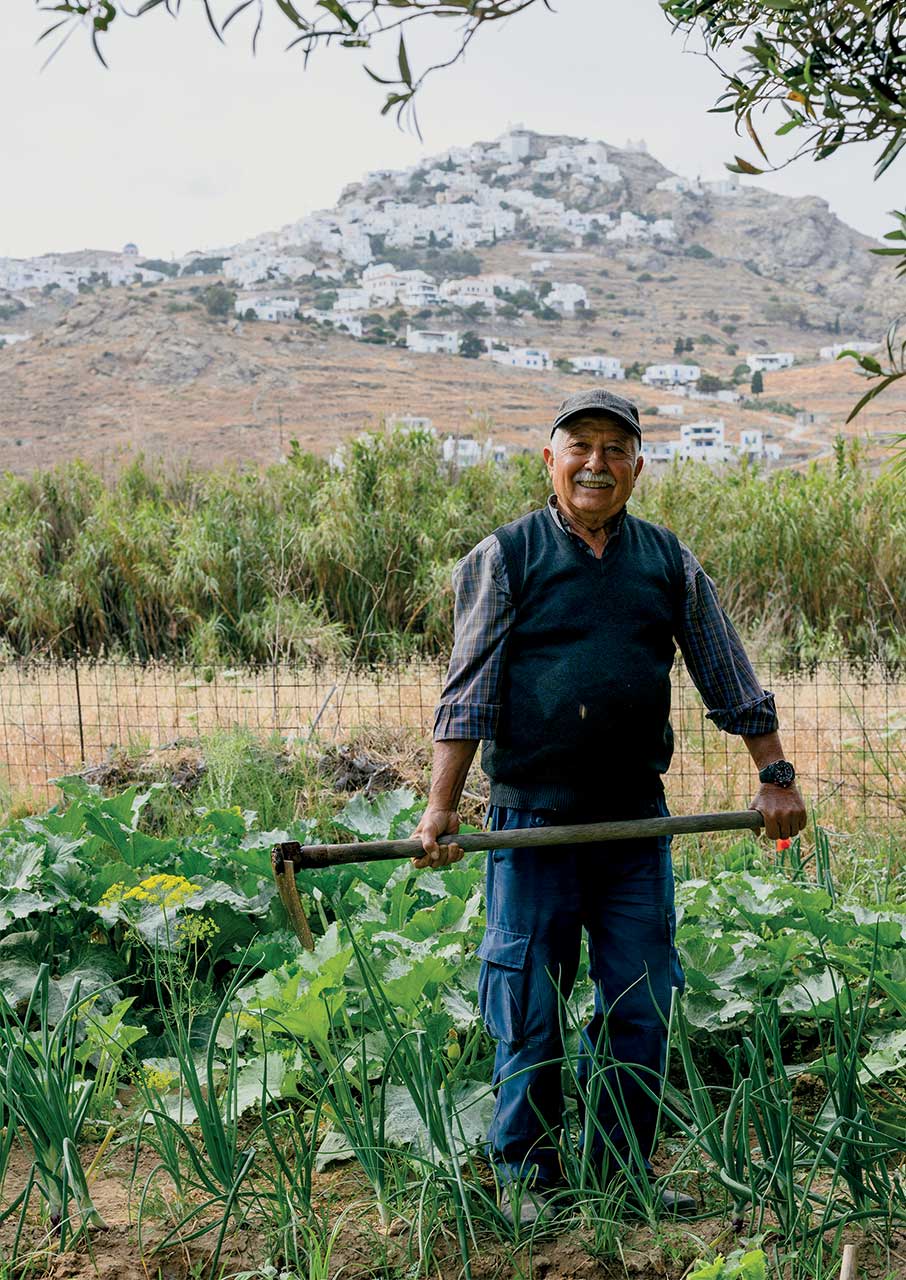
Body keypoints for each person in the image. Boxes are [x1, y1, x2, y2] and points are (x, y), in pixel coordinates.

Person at [413, 388, 807, 1227]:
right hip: (533, 823)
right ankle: (526, 1177)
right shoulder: (506, 556)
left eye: (615, 449)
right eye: (580, 446)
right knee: (528, 1005)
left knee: (641, 1001)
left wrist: (775, 773)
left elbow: (725, 669)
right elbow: (469, 690)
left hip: (635, 823)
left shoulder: (665, 560)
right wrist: (441, 807)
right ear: (549, 461)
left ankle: (622, 1173)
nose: (597, 463)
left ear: (637, 466)